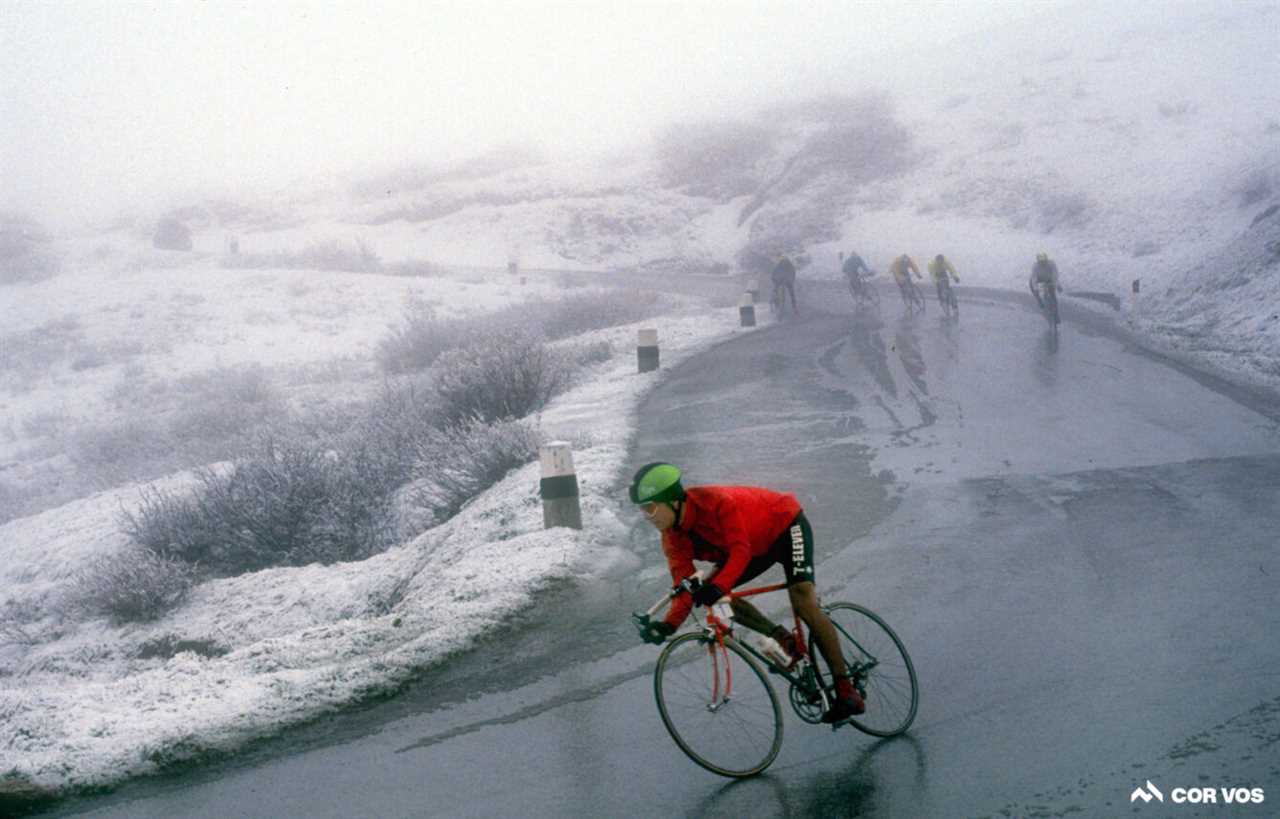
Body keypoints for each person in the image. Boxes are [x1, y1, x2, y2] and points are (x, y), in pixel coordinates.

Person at [630, 461, 866, 724]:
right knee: (717, 601)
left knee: (801, 597)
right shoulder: (672, 537)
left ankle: (846, 689)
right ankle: (781, 637)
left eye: (650, 508)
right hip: (753, 548)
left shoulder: (715, 502)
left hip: (785, 525)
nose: (647, 517)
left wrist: (718, 586)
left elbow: (740, 550)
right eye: (642, 511)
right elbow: (685, 584)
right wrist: (668, 625)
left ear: (673, 501)